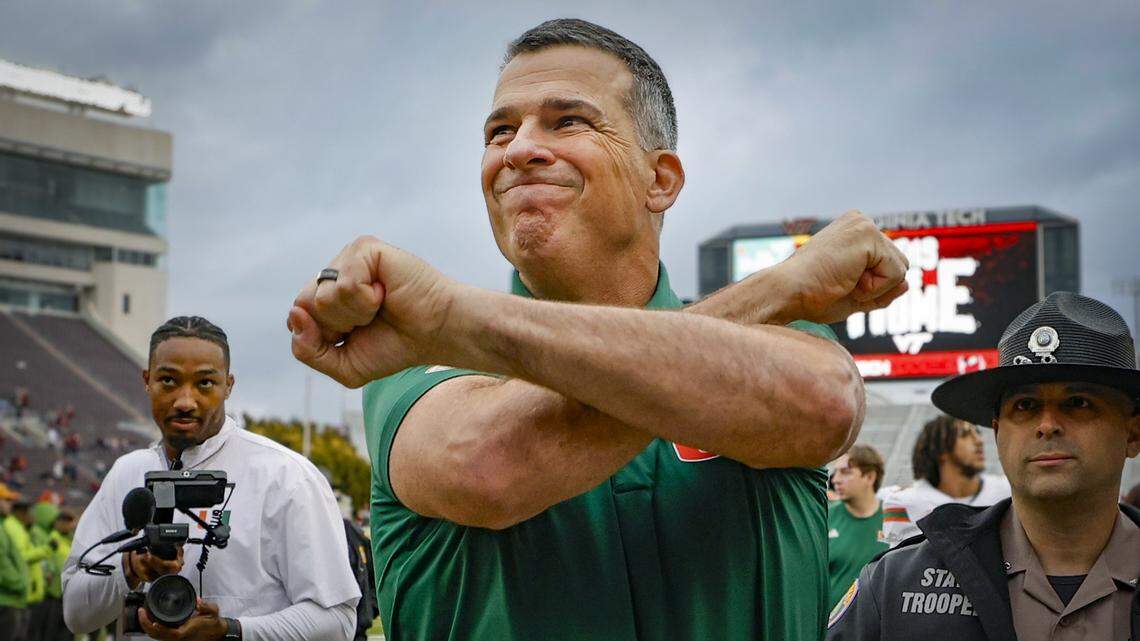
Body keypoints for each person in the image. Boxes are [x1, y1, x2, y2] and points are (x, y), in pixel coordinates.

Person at [289, 18, 909, 641]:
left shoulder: (788, 332)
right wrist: (777, 286)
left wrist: (454, 317)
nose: (517, 149)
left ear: (660, 180)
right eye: (500, 130)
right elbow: (486, 467)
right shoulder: (412, 362)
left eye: (568, 122)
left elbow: (824, 404)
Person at [827, 292, 1140, 641]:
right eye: (1024, 406)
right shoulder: (896, 585)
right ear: (997, 433)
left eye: (1078, 403)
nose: (1047, 424)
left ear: (1133, 433)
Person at [62, 317, 360, 641]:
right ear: (147, 380)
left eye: (204, 383)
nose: (185, 401)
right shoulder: (127, 474)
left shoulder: (286, 476)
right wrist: (131, 568)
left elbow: (338, 621)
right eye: (168, 381)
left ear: (228, 385)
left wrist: (231, 631)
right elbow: (76, 615)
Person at [881, 414, 1010, 546]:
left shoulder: (1006, 491)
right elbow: (899, 562)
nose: (979, 441)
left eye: (977, 434)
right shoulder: (906, 503)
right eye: (965, 435)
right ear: (940, 448)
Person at [828, 445, 888, 610]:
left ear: (869, 477)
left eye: (845, 472)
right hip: (831, 628)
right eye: (836, 472)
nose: (835, 480)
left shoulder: (893, 520)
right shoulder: (825, 517)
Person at [5, 500, 50, 640]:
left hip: (25, 593)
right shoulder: (14, 528)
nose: (31, 516)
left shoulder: (19, 528)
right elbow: (21, 557)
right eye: (28, 512)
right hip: (17, 594)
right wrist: (46, 550)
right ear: (21, 512)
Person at [0, 483, 29, 639]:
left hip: (12, 599)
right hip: (6, 598)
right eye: (6, 500)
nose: (10, 504)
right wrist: (19, 583)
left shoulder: (3, 526)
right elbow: (2, 562)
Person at [41, 508, 74, 641]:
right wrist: (47, 572)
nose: (68, 525)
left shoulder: (67, 540)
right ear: (57, 522)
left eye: (70, 522)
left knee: (65, 633)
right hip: (53, 594)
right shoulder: (53, 538)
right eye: (65, 521)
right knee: (51, 631)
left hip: (66, 594)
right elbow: (46, 558)